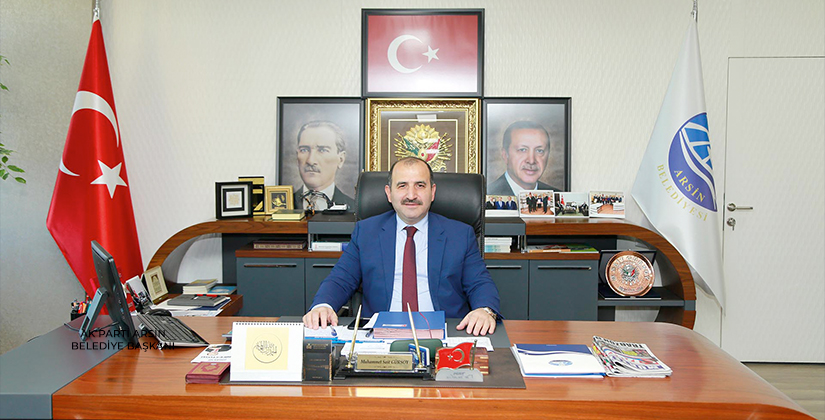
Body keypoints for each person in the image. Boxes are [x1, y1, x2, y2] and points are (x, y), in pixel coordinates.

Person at [303, 157, 501, 336]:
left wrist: (484, 310)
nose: (411, 195)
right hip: (380, 335)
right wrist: (323, 305)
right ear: (389, 193)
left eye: (420, 185)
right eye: (402, 186)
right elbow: (341, 279)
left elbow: (479, 283)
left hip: (446, 333)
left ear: (432, 192)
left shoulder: (459, 234)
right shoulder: (367, 232)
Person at [293, 121, 356, 210]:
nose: (310, 161)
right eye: (304, 150)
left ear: (341, 159)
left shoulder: (354, 209)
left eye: (322, 150)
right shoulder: (284, 206)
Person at [488, 121, 560, 196]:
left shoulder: (557, 196)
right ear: (505, 155)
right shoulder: (486, 196)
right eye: (522, 150)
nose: (531, 161)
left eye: (539, 151)